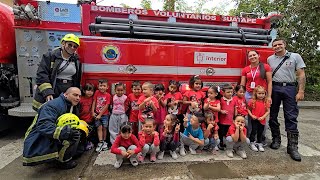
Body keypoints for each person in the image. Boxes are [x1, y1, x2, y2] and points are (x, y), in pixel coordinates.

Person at [23, 87, 82, 169]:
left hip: (49, 134)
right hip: (38, 139)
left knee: (77, 134)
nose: (78, 98)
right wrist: (65, 133)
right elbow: (44, 126)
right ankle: (63, 161)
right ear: (66, 94)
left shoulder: (69, 104)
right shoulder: (54, 105)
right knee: (73, 135)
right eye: (75, 95)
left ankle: (58, 155)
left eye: (79, 96)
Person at [267, 38, 306, 162]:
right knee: (272, 116)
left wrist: (301, 91)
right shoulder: (270, 59)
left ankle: (292, 147)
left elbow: (301, 75)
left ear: (285, 45)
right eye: (275, 45)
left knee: (291, 117)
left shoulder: (295, 56)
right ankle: (276, 140)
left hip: (289, 88)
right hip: (275, 88)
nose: (277, 46)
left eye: (279, 44)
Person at [33, 34, 82, 112]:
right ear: (63, 43)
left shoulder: (76, 60)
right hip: (53, 88)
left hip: (67, 89)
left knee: (65, 113)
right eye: (69, 44)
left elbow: (77, 79)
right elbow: (42, 75)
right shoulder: (50, 56)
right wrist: (48, 92)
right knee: (50, 112)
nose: (72, 48)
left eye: (75, 46)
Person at [240, 50, 272, 143]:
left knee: (263, 115)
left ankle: (261, 137)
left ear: (258, 55)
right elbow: (242, 84)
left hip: (261, 95)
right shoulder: (245, 69)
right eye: (250, 56)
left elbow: (270, 82)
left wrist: (269, 96)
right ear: (248, 58)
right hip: (249, 95)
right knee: (251, 117)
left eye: (254, 55)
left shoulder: (265, 67)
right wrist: (241, 96)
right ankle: (251, 137)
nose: (252, 57)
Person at [247, 86, 270, 152]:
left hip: (262, 120)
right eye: (259, 93)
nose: (261, 95)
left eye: (263, 93)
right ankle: (252, 142)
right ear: (255, 93)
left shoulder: (266, 102)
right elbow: (248, 109)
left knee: (260, 131)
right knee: (253, 131)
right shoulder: (252, 101)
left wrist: (263, 117)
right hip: (254, 119)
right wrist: (252, 115)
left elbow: (268, 111)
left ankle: (259, 143)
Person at [92, 79, 111, 152]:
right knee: (98, 127)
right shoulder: (96, 92)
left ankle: (104, 141)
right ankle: (100, 142)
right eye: (100, 86)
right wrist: (92, 112)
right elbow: (94, 102)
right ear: (98, 86)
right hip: (96, 114)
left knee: (104, 128)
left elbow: (106, 106)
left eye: (104, 86)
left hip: (104, 115)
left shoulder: (108, 95)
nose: (102, 87)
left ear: (107, 87)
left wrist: (100, 115)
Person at [218, 84, 236, 150]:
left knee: (228, 133)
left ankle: (227, 144)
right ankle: (221, 143)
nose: (230, 93)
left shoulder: (233, 100)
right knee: (221, 133)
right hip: (222, 121)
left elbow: (235, 108)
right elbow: (218, 108)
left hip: (230, 121)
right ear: (223, 92)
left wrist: (235, 118)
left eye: (231, 92)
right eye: (228, 92)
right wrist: (221, 111)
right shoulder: (221, 99)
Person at [79, 83, 95, 150]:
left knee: (90, 133)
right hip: (82, 119)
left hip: (90, 119)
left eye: (91, 91)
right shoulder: (80, 99)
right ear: (84, 91)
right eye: (88, 90)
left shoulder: (92, 99)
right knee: (83, 133)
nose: (90, 92)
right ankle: (84, 144)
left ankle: (88, 142)